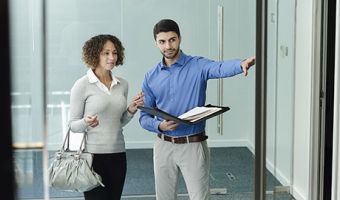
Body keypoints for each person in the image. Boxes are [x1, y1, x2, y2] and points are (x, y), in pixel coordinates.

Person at [138, 19, 255, 200]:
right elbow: (144, 116)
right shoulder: (150, 76)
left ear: (180, 39)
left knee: (199, 197)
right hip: (163, 147)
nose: (168, 46)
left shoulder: (197, 65)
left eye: (172, 39)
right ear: (156, 43)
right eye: (162, 41)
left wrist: (240, 65)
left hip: (192, 145)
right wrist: (159, 126)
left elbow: (218, 67)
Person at [68, 34, 144, 200]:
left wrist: (131, 109)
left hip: (118, 155)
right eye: (106, 53)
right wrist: (85, 122)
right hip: (92, 158)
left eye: (115, 53)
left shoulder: (123, 84)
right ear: (95, 54)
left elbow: (119, 122)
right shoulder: (82, 85)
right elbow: (73, 125)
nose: (112, 57)